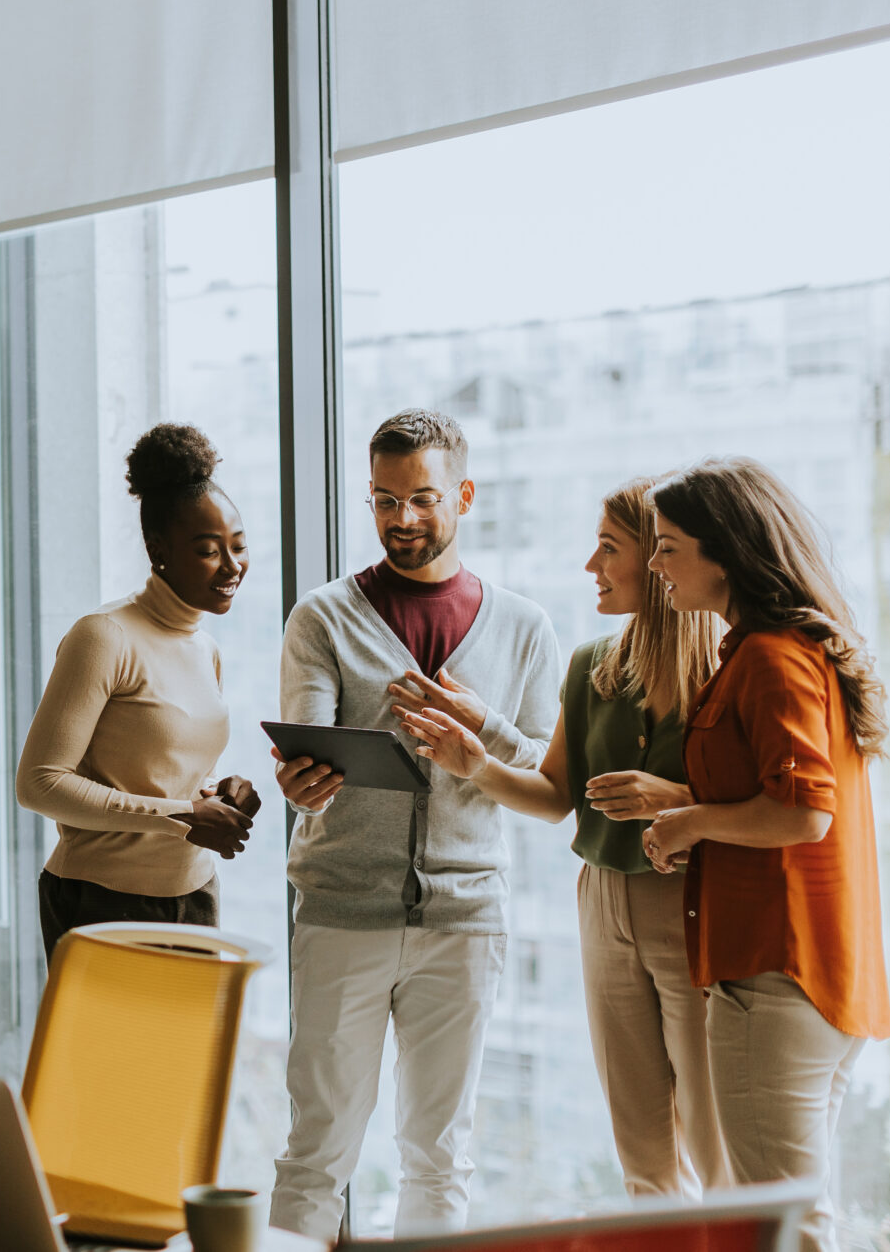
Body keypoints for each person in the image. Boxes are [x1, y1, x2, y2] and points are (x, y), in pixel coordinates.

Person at [394, 477, 731, 1199]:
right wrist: (475, 763)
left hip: (694, 904)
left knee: (712, 1137)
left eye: (609, 548)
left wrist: (678, 800)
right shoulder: (591, 666)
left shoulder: (725, 672)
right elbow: (555, 798)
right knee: (641, 1144)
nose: (591, 566)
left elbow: (755, 804)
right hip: (604, 903)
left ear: (657, 557)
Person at [269, 409, 560, 1242]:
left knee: (440, 1152)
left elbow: (544, 775)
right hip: (339, 913)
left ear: (463, 495)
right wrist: (304, 785)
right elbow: (306, 760)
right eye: (384, 500)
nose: (402, 519)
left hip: (465, 920)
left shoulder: (525, 627)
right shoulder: (322, 617)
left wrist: (479, 726)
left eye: (422, 499)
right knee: (317, 1150)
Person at [640, 457, 890, 1252]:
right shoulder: (777, 649)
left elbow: (803, 812)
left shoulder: (772, 657)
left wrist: (691, 824)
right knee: (791, 1215)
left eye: (669, 546)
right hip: (807, 974)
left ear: (726, 552)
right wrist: (685, 806)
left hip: (776, 974)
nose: (656, 565)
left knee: (776, 1226)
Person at [17, 423, 261, 957]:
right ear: (158, 549)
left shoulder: (206, 649)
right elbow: (39, 784)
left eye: (238, 546)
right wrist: (181, 817)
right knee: (114, 1047)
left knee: (190, 1047)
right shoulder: (104, 636)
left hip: (195, 897)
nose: (232, 566)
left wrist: (215, 794)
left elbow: (163, 771)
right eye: (207, 550)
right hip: (101, 901)